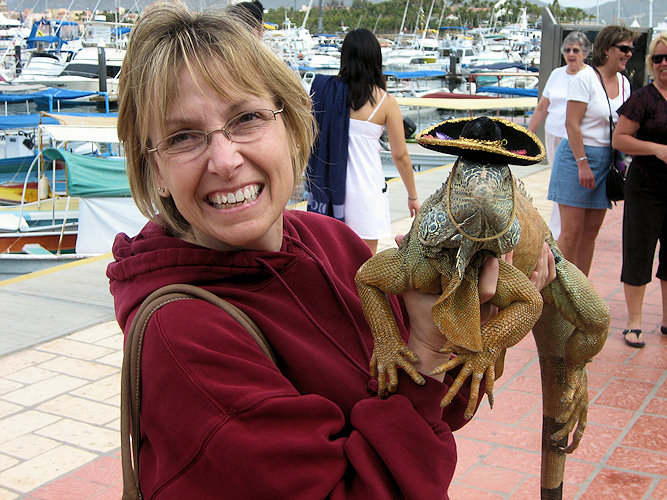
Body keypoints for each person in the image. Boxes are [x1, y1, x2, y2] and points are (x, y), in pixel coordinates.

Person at [108, 4, 554, 498]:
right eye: (182, 137)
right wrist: (425, 347)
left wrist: (473, 330)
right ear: (155, 174)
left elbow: (440, 409)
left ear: (292, 125)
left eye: (248, 118)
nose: (225, 159)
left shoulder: (332, 240)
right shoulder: (184, 339)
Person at [307, 28, 420, 255]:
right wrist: (413, 196)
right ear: (375, 58)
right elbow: (400, 155)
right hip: (367, 192)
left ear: (345, 57)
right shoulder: (385, 101)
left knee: (331, 260)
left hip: (329, 188)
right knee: (365, 265)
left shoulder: (327, 92)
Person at [547, 25, 635, 277]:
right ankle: (559, 288)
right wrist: (582, 164)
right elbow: (571, 124)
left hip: (605, 162)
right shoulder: (585, 78)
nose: (629, 54)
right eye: (624, 48)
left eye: (631, 49)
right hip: (577, 159)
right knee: (571, 232)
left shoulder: (624, 82)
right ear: (607, 49)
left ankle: (581, 290)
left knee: (590, 233)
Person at [612, 33, 667, 348]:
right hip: (645, 187)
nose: (663, 64)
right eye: (658, 58)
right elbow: (620, 139)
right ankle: (633, 323)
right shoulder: (643, 98)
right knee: (638, 252)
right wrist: (656, 149)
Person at [529, 31, 591, 239]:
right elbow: (542, 108)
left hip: (575, 140)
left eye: (576, 50)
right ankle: (556, 230)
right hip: (554, 135)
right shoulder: (556, 74)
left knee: (569, 185)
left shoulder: (589, 76)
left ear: (585, 53)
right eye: (567, 50)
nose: (571, 54)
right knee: (558, 183)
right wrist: (529, 134)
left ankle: (562, 230)